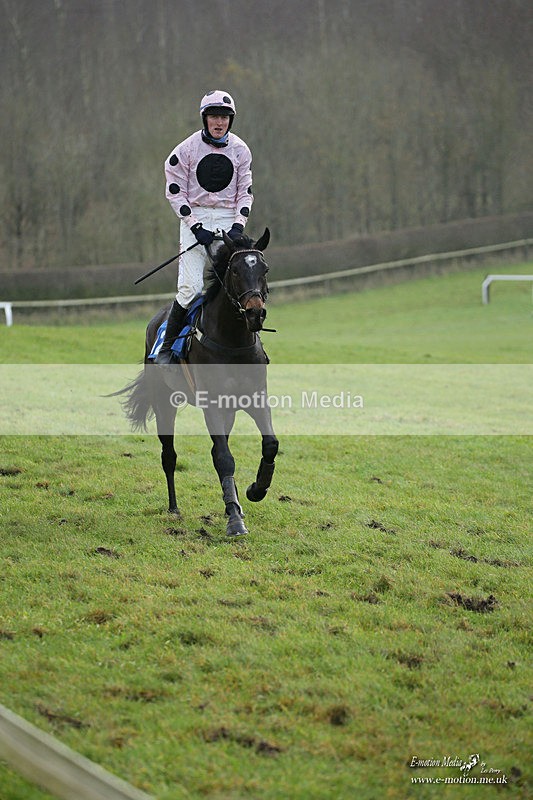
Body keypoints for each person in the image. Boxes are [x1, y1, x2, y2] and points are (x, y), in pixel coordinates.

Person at [156, 90, 254, 364]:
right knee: (190, 287)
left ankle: (250, 350)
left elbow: (245, 193)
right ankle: (166, 349)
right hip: (194, 219)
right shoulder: (184, 151)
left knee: (240, 285)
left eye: (223, 117)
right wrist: (195, 226)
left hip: (227, 220)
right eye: (214, 116)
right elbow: (174, 191)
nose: (219, 122)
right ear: (205, 118)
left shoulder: (241, 150)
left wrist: (237, 226)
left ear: (230, 121)